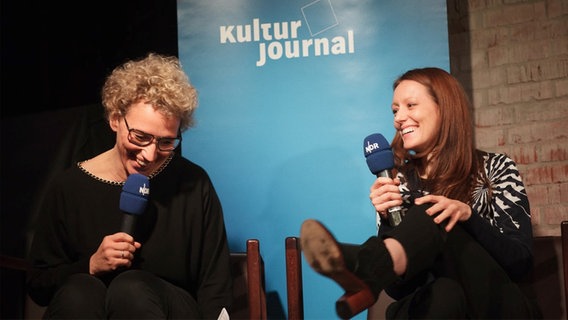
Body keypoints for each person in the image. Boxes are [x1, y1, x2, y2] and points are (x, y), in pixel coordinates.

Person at [300, 67, 539, 319]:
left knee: (434, 211)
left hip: (495, 305)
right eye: (395, 110)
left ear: (444, 109)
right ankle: (369, 269)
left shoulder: (496, 168)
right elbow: (398, 288)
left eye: (410, 105)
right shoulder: (397, 182)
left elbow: (520, 265)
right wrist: (385, 218)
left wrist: (468, 216)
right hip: (436, 306)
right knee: (443, 293)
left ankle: (363, 264)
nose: (398, 118)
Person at [26, 53, 233, 319]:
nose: (149, 154)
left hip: (172, 309)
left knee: (130, 288)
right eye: (140, 137)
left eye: (166, 142)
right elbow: (39, 285)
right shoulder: (68, 187)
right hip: (86, 304)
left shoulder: (193, 183)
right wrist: (91, 264)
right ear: (115, 119)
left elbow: (215, 285)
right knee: (79, 289)